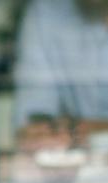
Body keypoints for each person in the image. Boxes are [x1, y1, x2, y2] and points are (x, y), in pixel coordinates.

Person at [13, 0, 108, 152]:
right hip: (77, 169)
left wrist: (81, 129)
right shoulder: (46, 11)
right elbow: (34, 122)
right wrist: (43, 134)